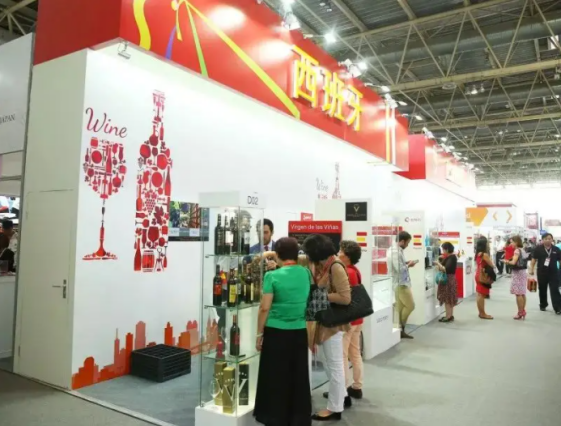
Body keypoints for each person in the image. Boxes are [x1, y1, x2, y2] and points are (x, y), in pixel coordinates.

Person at [254, 237, 312, 426]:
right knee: (298, 375)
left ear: (277, 255)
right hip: (299, 331)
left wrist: (259, 334)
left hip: (276, 332)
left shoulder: (272, 276)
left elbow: (264, 308)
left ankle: (275, 417)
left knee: (275, 376)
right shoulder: (305, 273)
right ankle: (297, 418)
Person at [303, 234, 351, 421]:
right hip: (325, 323)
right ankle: (341, 395)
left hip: (333, 324)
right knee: (328, 361)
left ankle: (334, 408)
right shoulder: (324, 264)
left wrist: (319, 295)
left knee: (334, 364)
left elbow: (345, 298)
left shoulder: (335, 266)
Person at [335, 240, 364, 400]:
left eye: (340, 251)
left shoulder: (347, 272)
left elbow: (345, 298)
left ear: (346, 256)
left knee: (342, 356)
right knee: (355, 353)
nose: (338, 254)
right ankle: (357, 387)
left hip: (348, 321)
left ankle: (343, 390)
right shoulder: (355, 270)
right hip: (357, 318)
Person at [392, 231, 417, 339]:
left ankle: (400, 331)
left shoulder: (398, 251)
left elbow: (398, 266)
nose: (407, 245)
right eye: (407, 242)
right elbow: (398, 269)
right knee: (410, 306)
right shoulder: (395, 252)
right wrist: (409, 265)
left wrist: (406, 263)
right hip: (400, 283)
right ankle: (400, 328)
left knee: (400, 308)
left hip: (401, 282)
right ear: (402, 241)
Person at [529, 233, 561, 314]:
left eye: (549, 238)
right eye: (546, 239)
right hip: (542, 273)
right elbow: (534, 259)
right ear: (542, 240)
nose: (548, 240)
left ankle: (558, 308)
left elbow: (560, 260)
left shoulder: (556, 249)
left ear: (552, 240)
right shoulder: (538, 249)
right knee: (542, 289)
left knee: (555, 290)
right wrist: (531, 269)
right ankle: (543, 304)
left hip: (554, 273)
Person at [435, 242, 458, 323]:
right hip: (450, 279)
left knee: (447, 299)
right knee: (449, 298)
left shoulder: (451, 257)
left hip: (448, 280)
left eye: (443, 249)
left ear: (447, 249)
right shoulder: (450, 257)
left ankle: (448, 316)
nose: (443, 251)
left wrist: (438, 263)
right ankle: (450, 315)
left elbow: (445, 269)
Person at [506, 236, 527, 320]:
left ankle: (520, 312)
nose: (511, 244)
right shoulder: (523, 250)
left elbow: (513, 262)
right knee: (522, 293)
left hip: (517, 273)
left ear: (516, 242)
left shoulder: (517, 251)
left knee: (518, 294)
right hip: (523, 272)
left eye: (512, 242)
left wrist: (506, 261)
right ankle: (523, 310)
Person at [475, 237, 495, 320]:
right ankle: (483, 313)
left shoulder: (477, 254)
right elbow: (492, 265)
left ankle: (481, 312)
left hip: (478, 274)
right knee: (482, 295)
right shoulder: (485, 255)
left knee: (479, 294)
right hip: (483, 276)